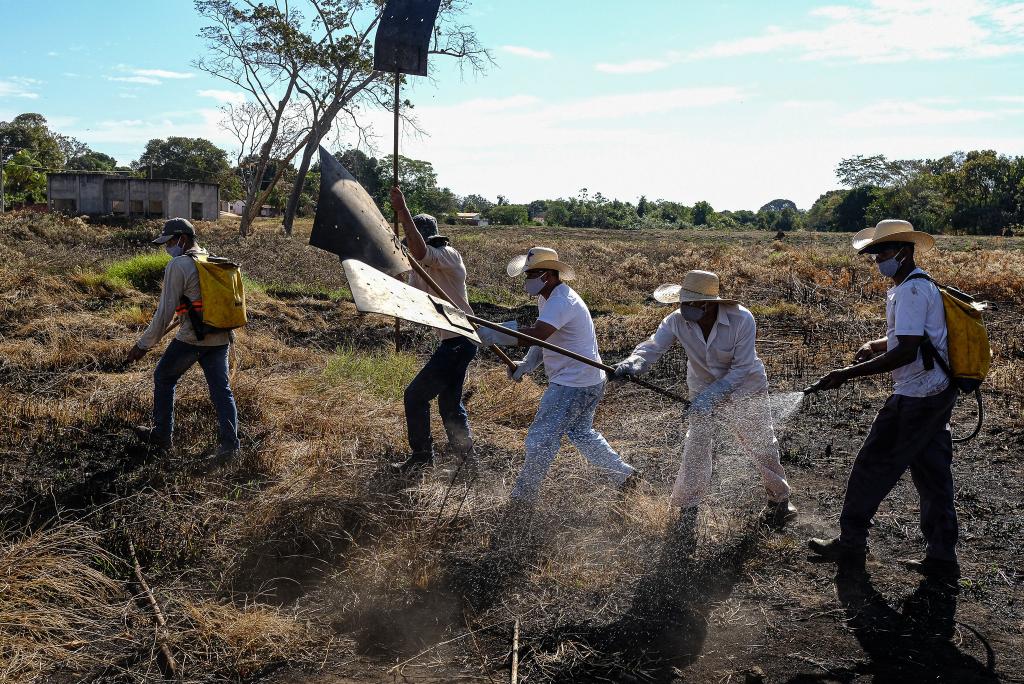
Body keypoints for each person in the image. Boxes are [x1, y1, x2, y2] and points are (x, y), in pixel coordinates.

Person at [805, 219, 959, 577]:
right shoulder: (914, 285)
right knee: (933, 475)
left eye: (883, 252)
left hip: (918, 395)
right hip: (934, 391)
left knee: (871, 466)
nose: (877, 259)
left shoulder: (910, 290)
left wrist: (845, 375)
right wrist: (877, 344)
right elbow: (917, 338)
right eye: (874, 252)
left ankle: (851, 542)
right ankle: (942, 556)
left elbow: (906, 351)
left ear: (904, 253)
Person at [614, 270, 796, 535]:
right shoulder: (676, 321)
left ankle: (780, 500)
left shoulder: (742, 319)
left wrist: (711, 398)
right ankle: (688, 508)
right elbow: (652, 348)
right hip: (701, 384)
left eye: (690, 303)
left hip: (745, 386)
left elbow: (741, 368)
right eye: (682, 303)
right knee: (697, 443)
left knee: (759, 443)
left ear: (709, 304)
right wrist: (633, 364)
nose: (683, 308)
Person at [486, 246, 637, 502]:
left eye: (531, 274)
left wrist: (496, 333)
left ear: (548, 275)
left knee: (541, 438)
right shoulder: (547, 297)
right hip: (588, 379)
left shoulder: (561, 300)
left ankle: (523, 498)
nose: (527, 280)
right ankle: (623, 475)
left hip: (573, 383)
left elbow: (537, 335)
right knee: (581, 433)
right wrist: (526, 364)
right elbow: (545, 337)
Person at [126, 218, 240, 461]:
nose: (168, 247)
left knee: (164, 377)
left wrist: (143, 345)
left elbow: (164, 312)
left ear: (183, 239)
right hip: (220, 337)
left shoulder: (179, 265)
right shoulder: (209, 259)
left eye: (169, 242)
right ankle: (231, 446)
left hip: (192, 340)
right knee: (222, 390)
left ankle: (162, 436)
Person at [389, 186, 477, 473]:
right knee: (450, 407)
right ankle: (468, 463)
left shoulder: (448, 255)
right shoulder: (419, 268)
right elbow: (409, 296)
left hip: (459, 340)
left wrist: (401, 211)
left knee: (415, 396)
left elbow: (419, 250)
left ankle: (422, 458)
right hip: (453, 341)